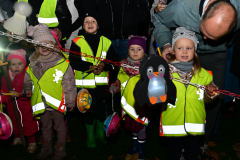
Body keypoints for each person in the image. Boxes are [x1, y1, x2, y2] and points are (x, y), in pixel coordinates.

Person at [152, 0, 239, 158]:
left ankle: (200, 143)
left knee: (214, 98)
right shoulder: (181, 8)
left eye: (213, 36)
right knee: (179, 93)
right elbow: (158, 20)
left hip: (217, 54)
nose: (204, 38)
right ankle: (178, 141)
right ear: (205, 9)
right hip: (185, 53)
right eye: (203, 30)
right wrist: (165, 44)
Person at [161, 27, 218, 160]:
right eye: (180, 48)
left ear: (195, 51)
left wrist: (211, 92)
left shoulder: (203, 74)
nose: (185, 51)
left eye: (189, 48)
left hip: (194, 123)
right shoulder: (166, 72)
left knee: (192, 153)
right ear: (173, 50)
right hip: (173, 122)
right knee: (173, 154)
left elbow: (209, 99)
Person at [23, 23, 77, 160]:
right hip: (40, 101)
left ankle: (60, 149)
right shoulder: (33, 63)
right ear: (36, 47)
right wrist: (27, 89)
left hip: (57, 101)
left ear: (53, 45)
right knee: (45, 126)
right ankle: (46, 148)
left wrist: (70, 100)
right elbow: (27, 80)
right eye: (41, 45)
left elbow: (69, 83)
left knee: (59, 126)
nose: (45, 47)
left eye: (48, 43)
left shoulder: (62, 63)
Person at [69, 11, 119, 148]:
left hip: (102, 87)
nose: (90, 24)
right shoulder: (77, 42)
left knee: (101, 111)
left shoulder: (106, 42)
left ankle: (100, 133)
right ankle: (90, 135)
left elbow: (114, 62)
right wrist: (89, 67)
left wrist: (104, 65)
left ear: (98, 25)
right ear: (83, 25)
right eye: (86, 21)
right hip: (84, 87)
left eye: (93, 21)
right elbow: (73, 61)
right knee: (87, 111)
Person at [109, 36, 148, 160]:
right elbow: (120, 80)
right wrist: (116, 85)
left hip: (141, 106)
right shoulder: (123, 66)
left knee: (141, 129)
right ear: (128, 50)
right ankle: (134, 148)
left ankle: (141, 152)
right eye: (132, 49)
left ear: (144, 51)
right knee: (132, 129)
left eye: (139, 49)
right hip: (127, 105)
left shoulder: (148, 68)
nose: (135, 52)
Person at [1, 49, 38, 153]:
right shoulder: (6, 75)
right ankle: (17, 137)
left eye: (20, 64)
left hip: (25, 106)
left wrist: (20, 94)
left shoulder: (27, 75)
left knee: (28, 123)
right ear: (9, 65)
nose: (16, 67)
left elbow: (31, 91)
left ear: (24, 63)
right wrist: (4, 97)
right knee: (14, 121)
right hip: (12, 106)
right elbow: (4, 89)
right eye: (13, 64)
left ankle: (32, 142)